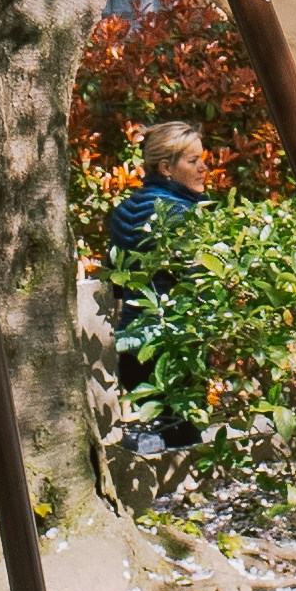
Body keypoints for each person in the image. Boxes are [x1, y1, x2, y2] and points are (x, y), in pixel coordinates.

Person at [107, 120, 216, 448]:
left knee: (161, 441)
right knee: (184, 443)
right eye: (193, 161)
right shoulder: (180, 214)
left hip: (135, 350)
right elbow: (202, 282)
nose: (204, 168)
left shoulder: (125, 211)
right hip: (176, 353)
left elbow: (115, 279)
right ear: (167, 168)